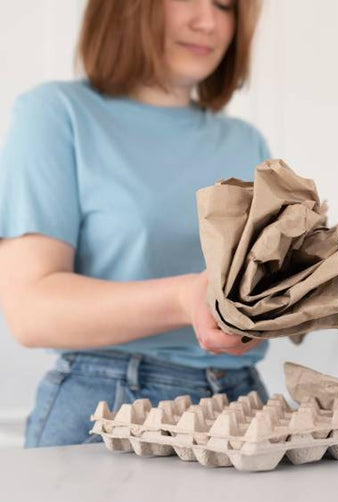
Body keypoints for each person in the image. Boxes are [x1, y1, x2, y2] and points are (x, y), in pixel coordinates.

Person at [0, 0, 270, 448]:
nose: (208, 22)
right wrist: (185, 299)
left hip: (243, 402)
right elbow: (31, 311)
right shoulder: (56, 114)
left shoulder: (246, 141)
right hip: (108, 404)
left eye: (225, 5)